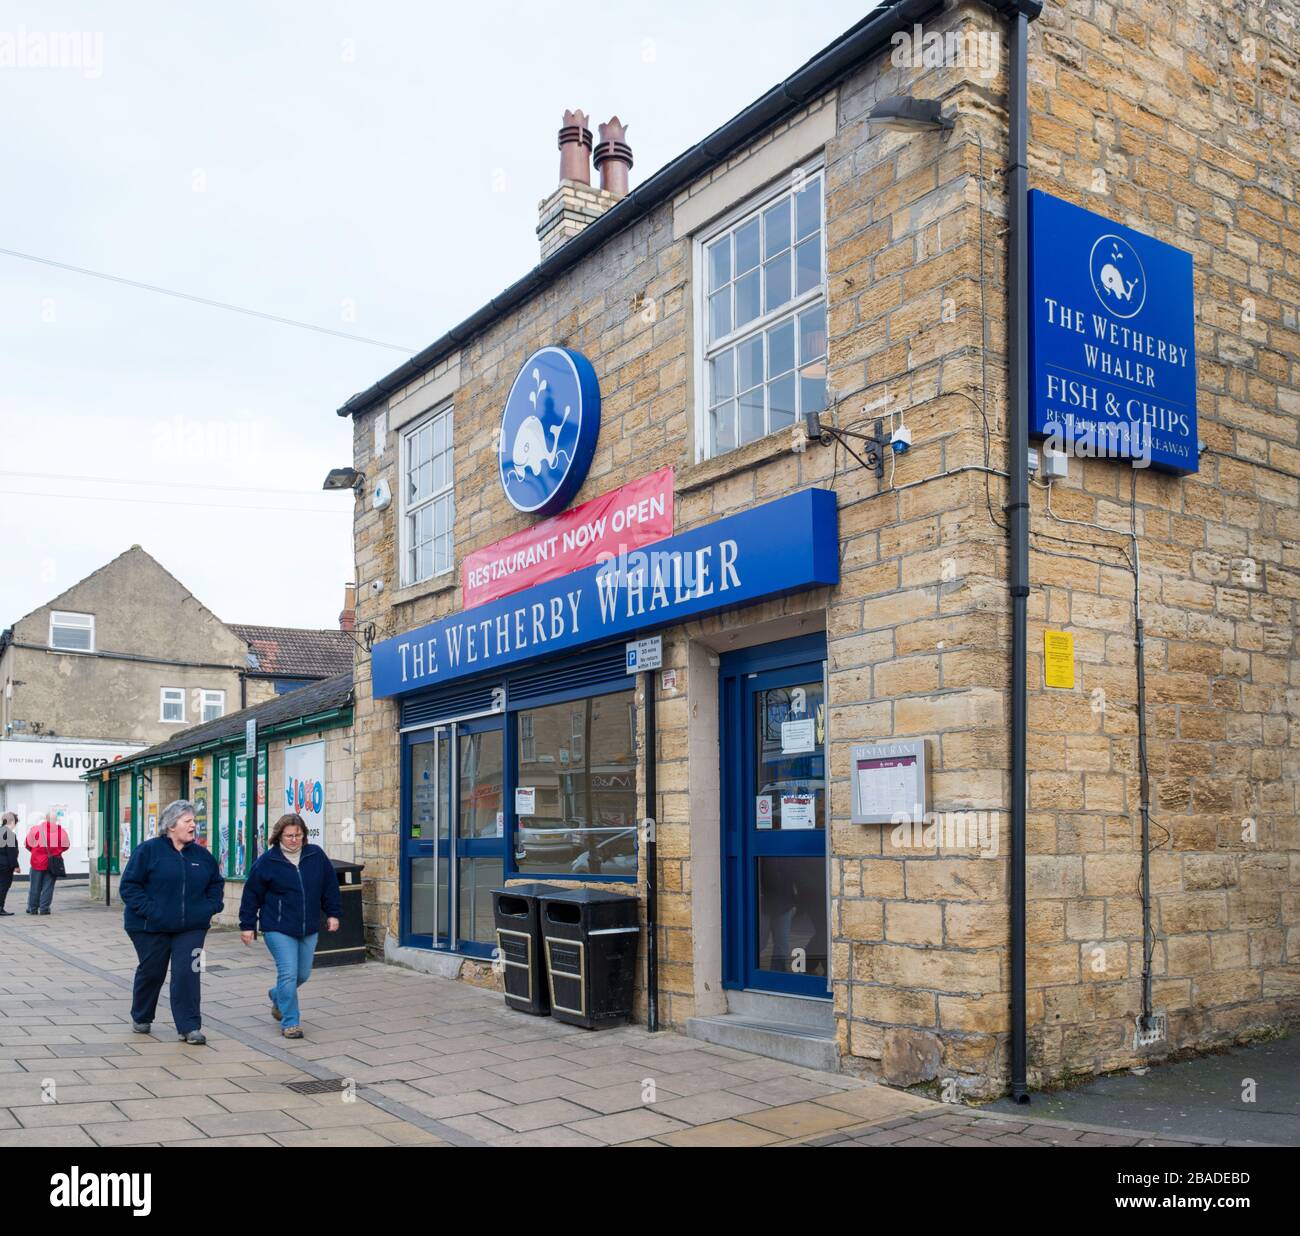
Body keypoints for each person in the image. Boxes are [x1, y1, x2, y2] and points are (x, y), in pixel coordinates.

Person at [119, 799, 224, 1044]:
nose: (193, 826)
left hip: (191, 926)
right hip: (149, 926)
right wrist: (152, 911)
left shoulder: (202, 856)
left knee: (188, 972)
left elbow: (216, 885)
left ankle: (190, 1027)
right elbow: (129, 887)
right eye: (188, 821)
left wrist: (210, 907)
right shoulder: (148, 851)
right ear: (171, 825)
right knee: (152, 971)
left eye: (194, 822)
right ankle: (142, 1014)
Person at [238, 813, 340, 1039]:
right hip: (278, 927)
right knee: (288, 974)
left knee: (302, 974)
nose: (294, 840)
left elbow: (329, 887)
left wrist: (333, 913)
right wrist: (247, 925)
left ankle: (277, 996)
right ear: (279, 836)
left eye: (298, 835)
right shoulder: (267, 862)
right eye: (289, 836)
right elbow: (251, 895)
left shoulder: (316, 856)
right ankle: (291, 1022)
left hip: (309, 926)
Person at [25, 811, 69, 915]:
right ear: (56, 820)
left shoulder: (35, 829)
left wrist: (36, 852)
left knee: (34, 886)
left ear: (46, 818)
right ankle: (44, 908)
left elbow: (27, 844)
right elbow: (66, 846)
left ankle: (33, 908)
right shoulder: (61, 831)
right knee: (48, 887)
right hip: (53, 863)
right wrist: (57, 852)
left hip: (37, 862)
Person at [0, 812, 20, 916]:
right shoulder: (10, 834)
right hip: (5, 865)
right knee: (3, 886)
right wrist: (16, 866)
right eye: (15, 823)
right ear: (11, 822)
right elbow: (11, 852)